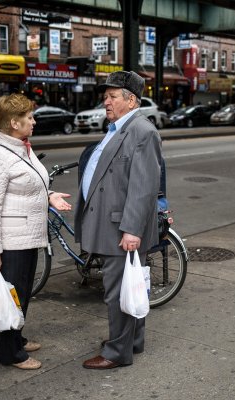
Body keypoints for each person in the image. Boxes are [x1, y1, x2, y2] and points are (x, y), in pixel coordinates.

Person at [0, 94, 71, 370]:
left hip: (27, 236)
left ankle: (16, 337)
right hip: (11, 241)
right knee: (11, 295)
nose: (34, 121)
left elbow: (27, 187)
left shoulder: (21, 148)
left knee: (21, 293)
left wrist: (50, 195)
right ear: (14, 123)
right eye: (29, 117)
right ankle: (10, 353)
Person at [75, 71, 162, 370]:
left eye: (112, 97)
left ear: (131, 100)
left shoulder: (142, 131)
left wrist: (132, 230)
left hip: (120, 228)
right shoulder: (119, 128)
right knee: (130, 287)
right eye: (105, 97)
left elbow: (143, 186)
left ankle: (117, 353)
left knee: (117, 292)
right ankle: (131, 342)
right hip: (111, 224)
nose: (106, 102)